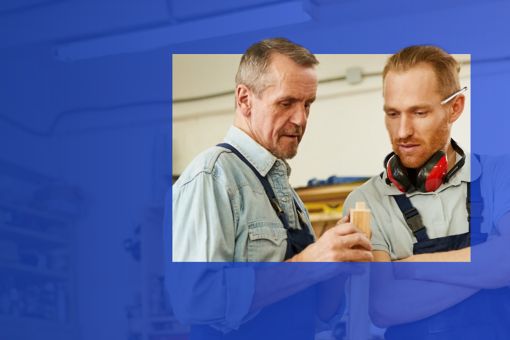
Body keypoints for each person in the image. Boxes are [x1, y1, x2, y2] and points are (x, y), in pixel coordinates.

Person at [169, 38, 372, 340]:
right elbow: (195, 300)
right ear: (244, 99)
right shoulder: (213, 175)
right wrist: (311, 261)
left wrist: (336, 266)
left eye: (308, 104)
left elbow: (318, 318)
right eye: (286, 102)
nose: (301, 119)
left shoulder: (287, 195)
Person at [343, 45, 510, 339]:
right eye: (393, 114)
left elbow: (506, 262)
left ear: (455, 107)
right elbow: (384, 305)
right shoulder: (365, 202)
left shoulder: (500, 174)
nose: (402, 131)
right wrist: (486, 268)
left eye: (419, 112)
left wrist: (413, 266)